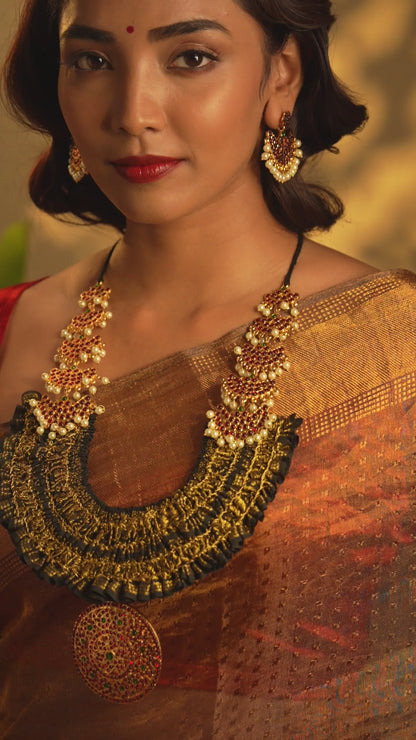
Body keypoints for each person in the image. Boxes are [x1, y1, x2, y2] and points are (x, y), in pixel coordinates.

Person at [0, 0, 415, 737]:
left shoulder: (394, 346)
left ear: (281, 77)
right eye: (92, 62)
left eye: (191, 58)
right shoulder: (8, 327)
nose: (133, 113)